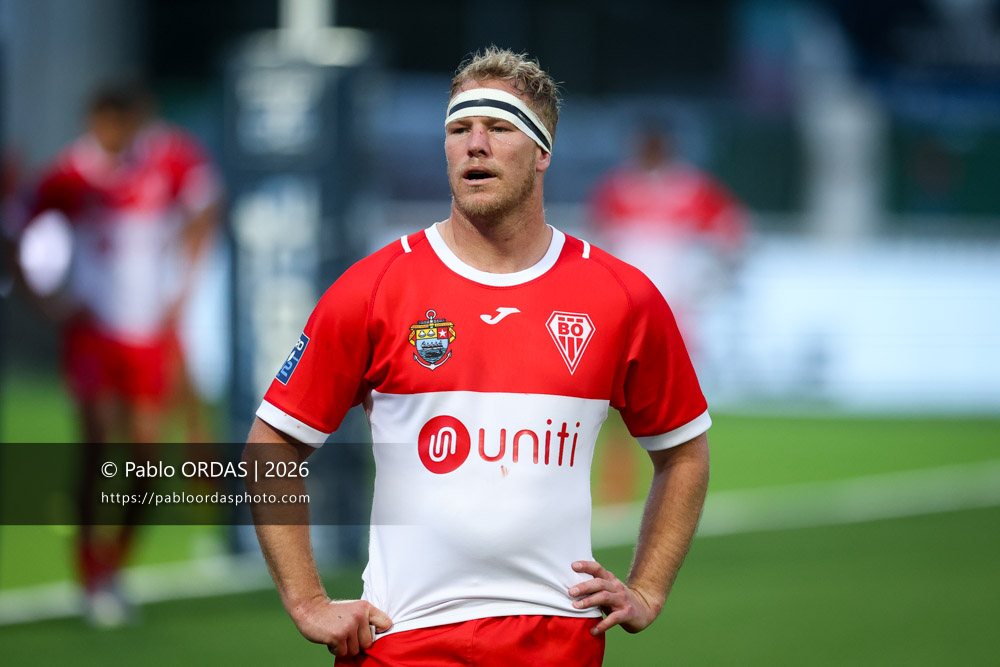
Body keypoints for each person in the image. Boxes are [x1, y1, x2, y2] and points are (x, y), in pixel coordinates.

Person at [244, 47, 710, 666]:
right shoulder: (376, 288)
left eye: (499, 127)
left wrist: (648, 589)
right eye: (459, 128)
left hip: (558, 643)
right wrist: (306, 602)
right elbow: (271, 443)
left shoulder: (622, 297)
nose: (475, 144)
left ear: (543, 152)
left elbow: (683, 452)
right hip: (399, 642)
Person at [20, 80, 222, 625]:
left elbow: (205, 204)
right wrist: (48, 301)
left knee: (148, 459)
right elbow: (18, 230)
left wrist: (184, 281)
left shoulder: (164, 161)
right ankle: (90, 572)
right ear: (97, 121)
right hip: (93, 334)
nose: (123, 135)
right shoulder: (69, 175)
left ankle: (113, 567)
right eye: (114, 125)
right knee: (97, 447)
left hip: (148, 334)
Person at [588, 123, 747, 504]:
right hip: (625, 307)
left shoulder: (690, 189)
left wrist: (710, 281)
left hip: (675, 311)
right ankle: (621, 483)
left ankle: (672, 483)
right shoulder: (617, 189)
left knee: (671, 405)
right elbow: (601, 245)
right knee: (613, 403)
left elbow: (733, 231)